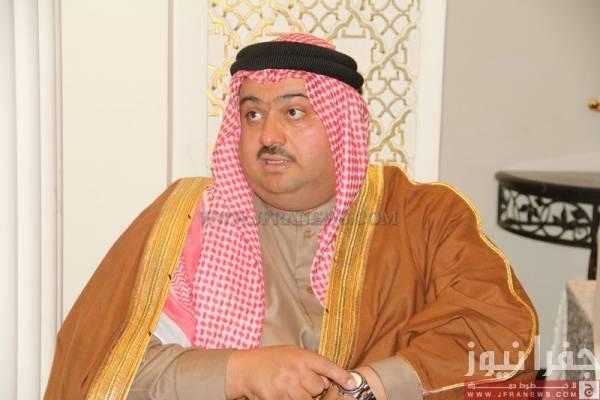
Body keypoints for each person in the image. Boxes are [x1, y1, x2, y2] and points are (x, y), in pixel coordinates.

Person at [45, 33, 537, 400]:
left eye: (294, 112)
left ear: (341, 124)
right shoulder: (190, 216)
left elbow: (499, 334)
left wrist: (370, 386)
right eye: (253, 114)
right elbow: (108, 367)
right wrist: (238, 372)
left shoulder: (425, 217)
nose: (269, 136)